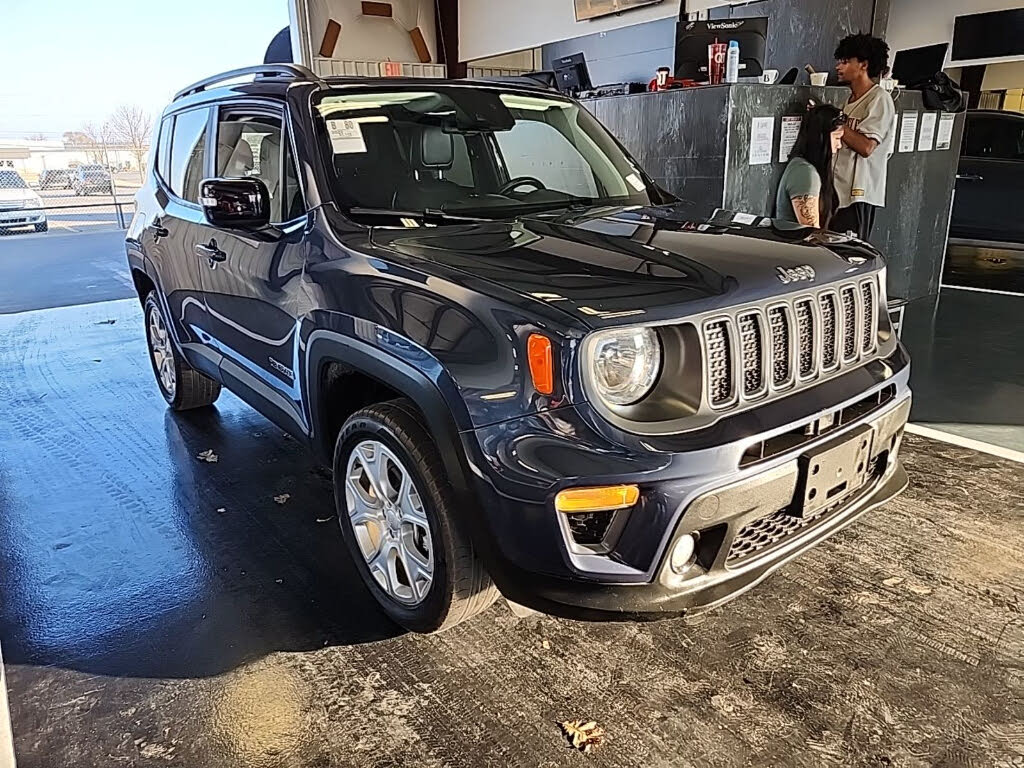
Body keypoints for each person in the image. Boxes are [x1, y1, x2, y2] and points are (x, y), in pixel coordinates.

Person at [831, 33, 896, 241]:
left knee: (849, 255)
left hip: (859, 194)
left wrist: (836, 121)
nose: (838, 67)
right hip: (839, 191)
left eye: (846, 62)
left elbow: (867, 147)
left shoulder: (879, 99)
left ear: (863, 65)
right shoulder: (849, 100)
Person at [776, 104, 846, 228]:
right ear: (822, 138)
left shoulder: (806, 169)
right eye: (837, 138)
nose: (839, 145)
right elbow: (812, 233)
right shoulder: (805, 173)